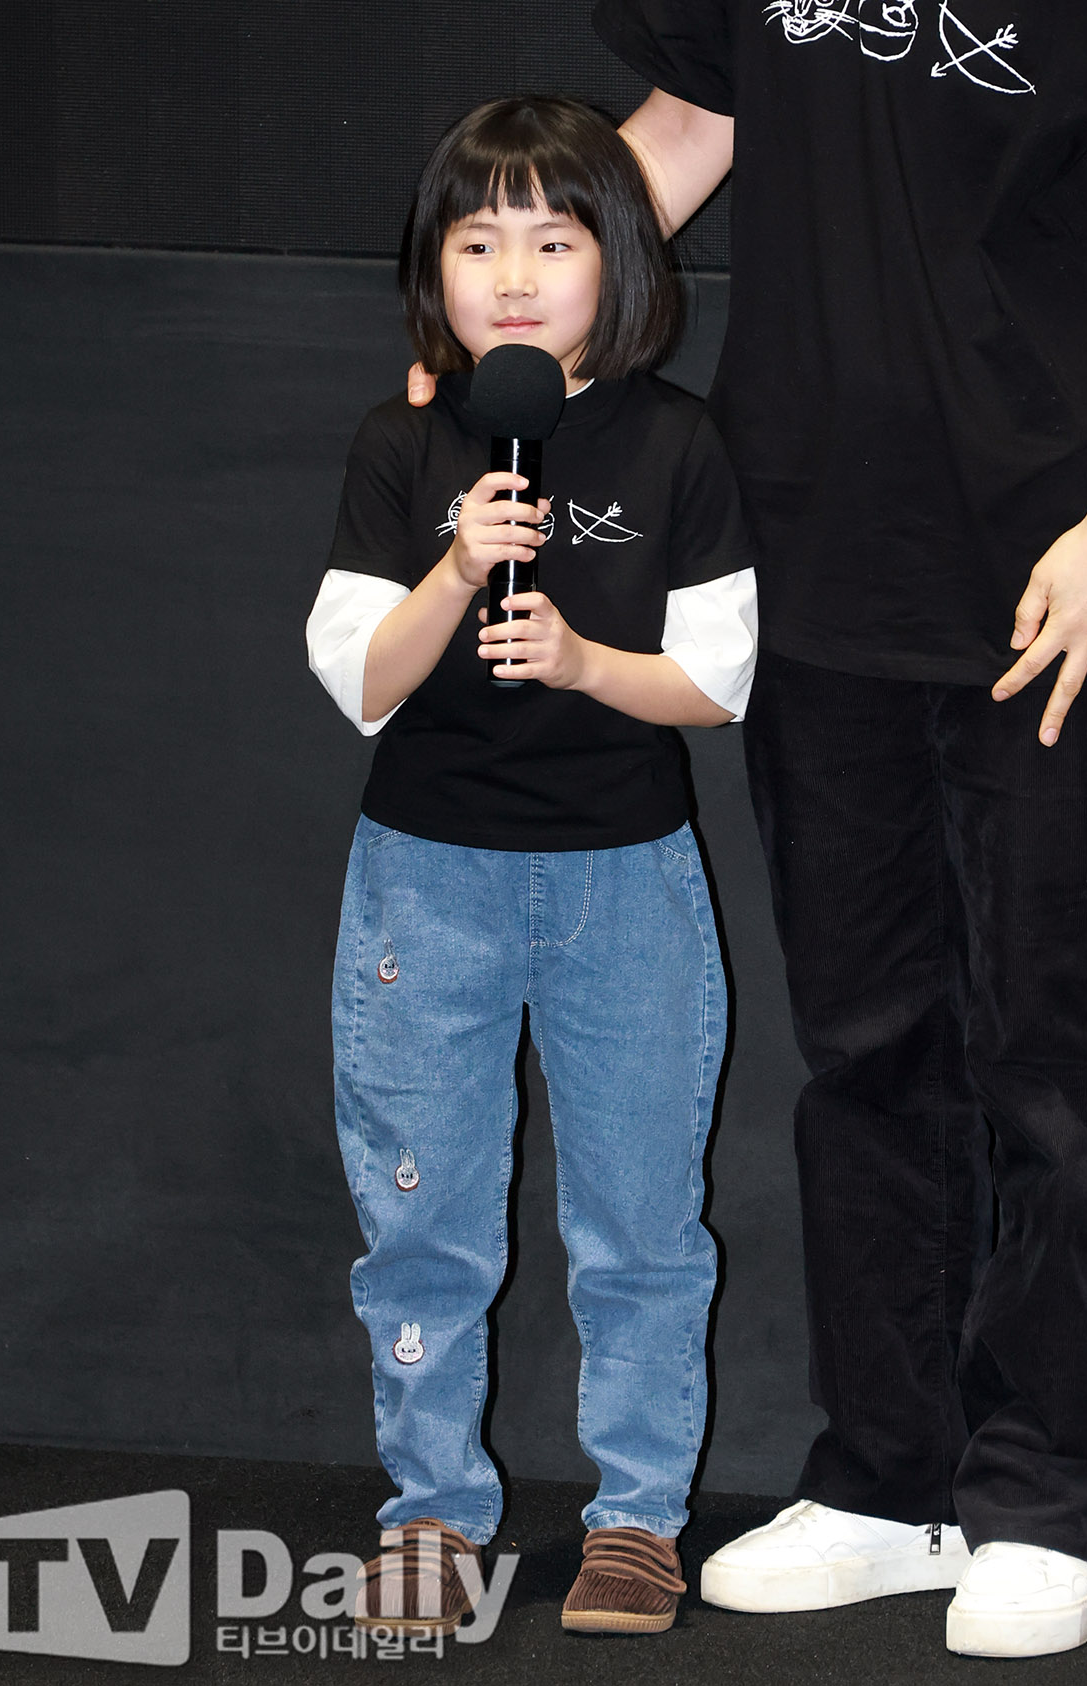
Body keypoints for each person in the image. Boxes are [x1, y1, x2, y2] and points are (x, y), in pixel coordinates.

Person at [568, 0, 1087, 1662]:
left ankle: (1059, 1495)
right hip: (812, 552)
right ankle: (895, 1476)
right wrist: (500, 329)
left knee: (1060, 1051)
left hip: (1054, 575)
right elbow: (685, 130)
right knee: (869, 1043)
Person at [307, 95, 757, 1637]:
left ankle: (636, 1519)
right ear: (431, 268)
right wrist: (457, 564)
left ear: (618, 257)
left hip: (623, 881)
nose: (511, 274)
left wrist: (580, 660)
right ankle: (432, 1514)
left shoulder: (678, 439)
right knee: (422, 1218)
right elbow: (362, 679)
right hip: (424, 880)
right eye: (477, 240)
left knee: (640, 1225)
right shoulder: (405, 441)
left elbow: (716, 682)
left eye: (552, 241)